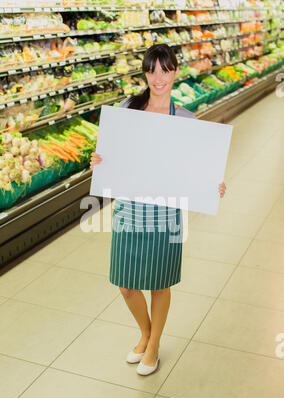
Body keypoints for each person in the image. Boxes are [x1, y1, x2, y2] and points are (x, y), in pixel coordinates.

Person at [90, 44, 226, 376]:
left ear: (175, 72)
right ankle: (146, 331)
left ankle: (153, 344)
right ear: (145, 73)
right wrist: (98, 161)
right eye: (152, 70)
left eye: (165, 70)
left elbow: (197, 170)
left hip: (165, 213)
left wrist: (213, 186)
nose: (158, 77)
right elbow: (109, 153)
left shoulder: (185, 119)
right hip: (130, 208)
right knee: (126, 284)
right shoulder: (128, 109)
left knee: (159, 283)